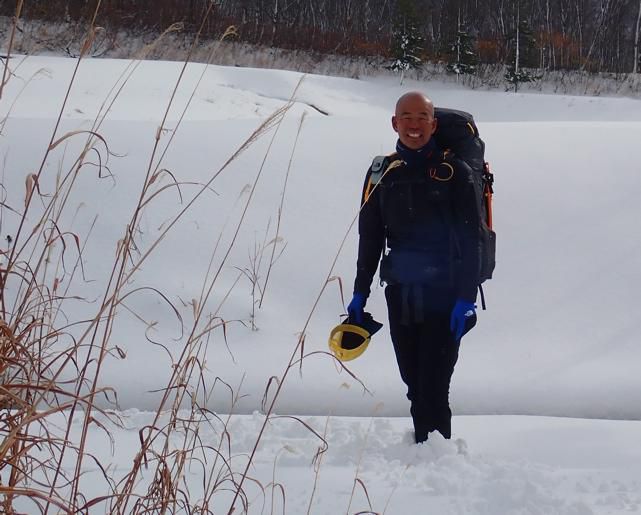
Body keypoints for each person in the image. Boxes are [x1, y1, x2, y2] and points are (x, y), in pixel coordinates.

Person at [347, 91, 482, 444]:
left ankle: (435, 460)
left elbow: (472, 240)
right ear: (394, 123)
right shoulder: (381, 172)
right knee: (413, 384)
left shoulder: (456, 173)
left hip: (445, 294)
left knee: (434, 387)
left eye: (422, 117)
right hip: (401, 294)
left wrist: (465, 298)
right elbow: (370, 236)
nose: (414, 125)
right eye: (406, 117)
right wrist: (360, 293)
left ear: (433, 124)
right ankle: (427, 458)